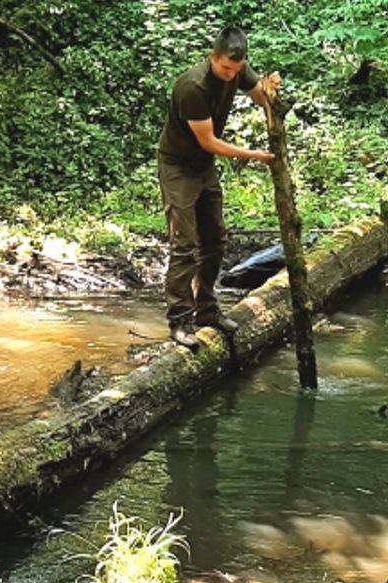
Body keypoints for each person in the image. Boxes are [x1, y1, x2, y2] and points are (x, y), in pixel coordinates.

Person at [159, 26, 282, 348]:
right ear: (213, 57)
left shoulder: (238, 69)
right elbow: (209, 141)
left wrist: (269, 94)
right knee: (184, 245)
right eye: (226, 68)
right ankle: (180, 321)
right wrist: (255, 156)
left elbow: (260, 97)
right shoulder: (192, 86)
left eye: (236, 70)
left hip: (203, 168)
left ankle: (207, 311)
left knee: (215, 239)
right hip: (178, 167)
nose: (231, 75)